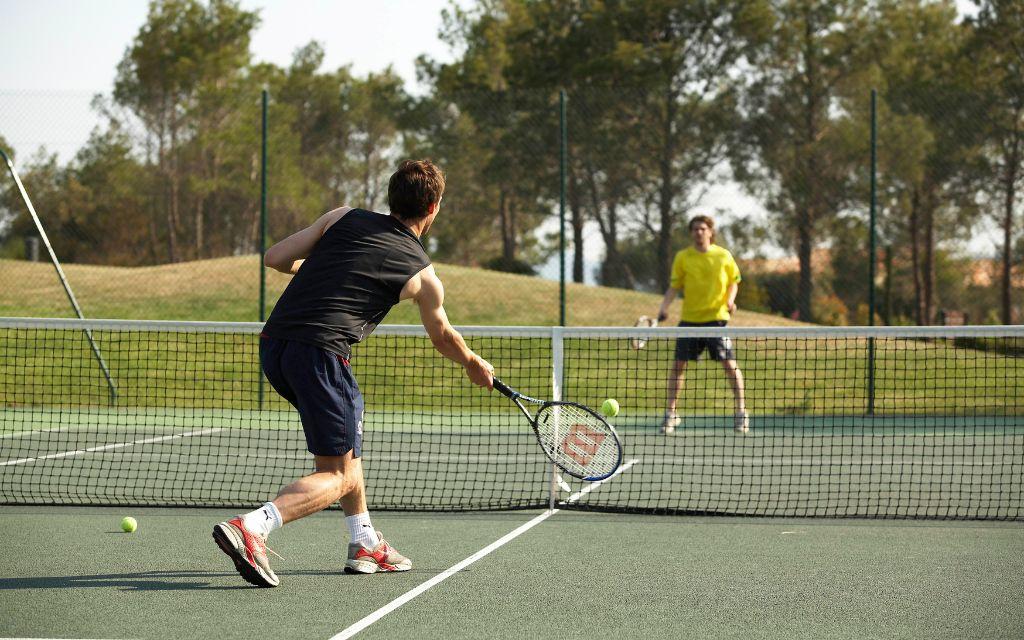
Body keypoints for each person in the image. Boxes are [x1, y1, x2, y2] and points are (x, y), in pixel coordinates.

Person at [212, 160, 494, 587]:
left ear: (391, 196)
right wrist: (474, 363)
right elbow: (442, 335)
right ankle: (253, 527)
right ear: (433, 207)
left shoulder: (342, 217)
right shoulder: (423, 273)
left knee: (345, 455)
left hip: (275, 348)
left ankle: (365, 541)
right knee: (339, 475)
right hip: (322, 356)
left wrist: (331, 272)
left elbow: (276, 258)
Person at [655, 215, 748, 435]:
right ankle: (671, 414)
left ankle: (741, 412)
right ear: (691, 233)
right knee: (678, 366)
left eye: (702, 229)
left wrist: (730, 301)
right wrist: (664, 307)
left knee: (729, 365)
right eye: (695, 229)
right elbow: (674, 287)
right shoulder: (683, 257)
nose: (698, 232)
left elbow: (734, 281)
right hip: (689, 321)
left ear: (710, 232)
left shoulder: (723, 255)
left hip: (716, 320)